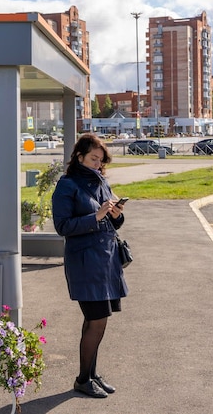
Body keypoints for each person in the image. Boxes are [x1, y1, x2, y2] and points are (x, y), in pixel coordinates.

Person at [51, 133, 128, 398]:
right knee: (97, 321)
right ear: (79, 156)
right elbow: (62, 226)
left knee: (96, 321)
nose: (97, 164)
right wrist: (96, 215)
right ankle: (83, 379)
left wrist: (116, 215)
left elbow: (111, 221)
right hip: (85, 262)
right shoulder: (67, 185)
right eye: (93, 158)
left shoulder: (101, 181)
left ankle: (92, 375)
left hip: (106, 261)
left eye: (101, 160)